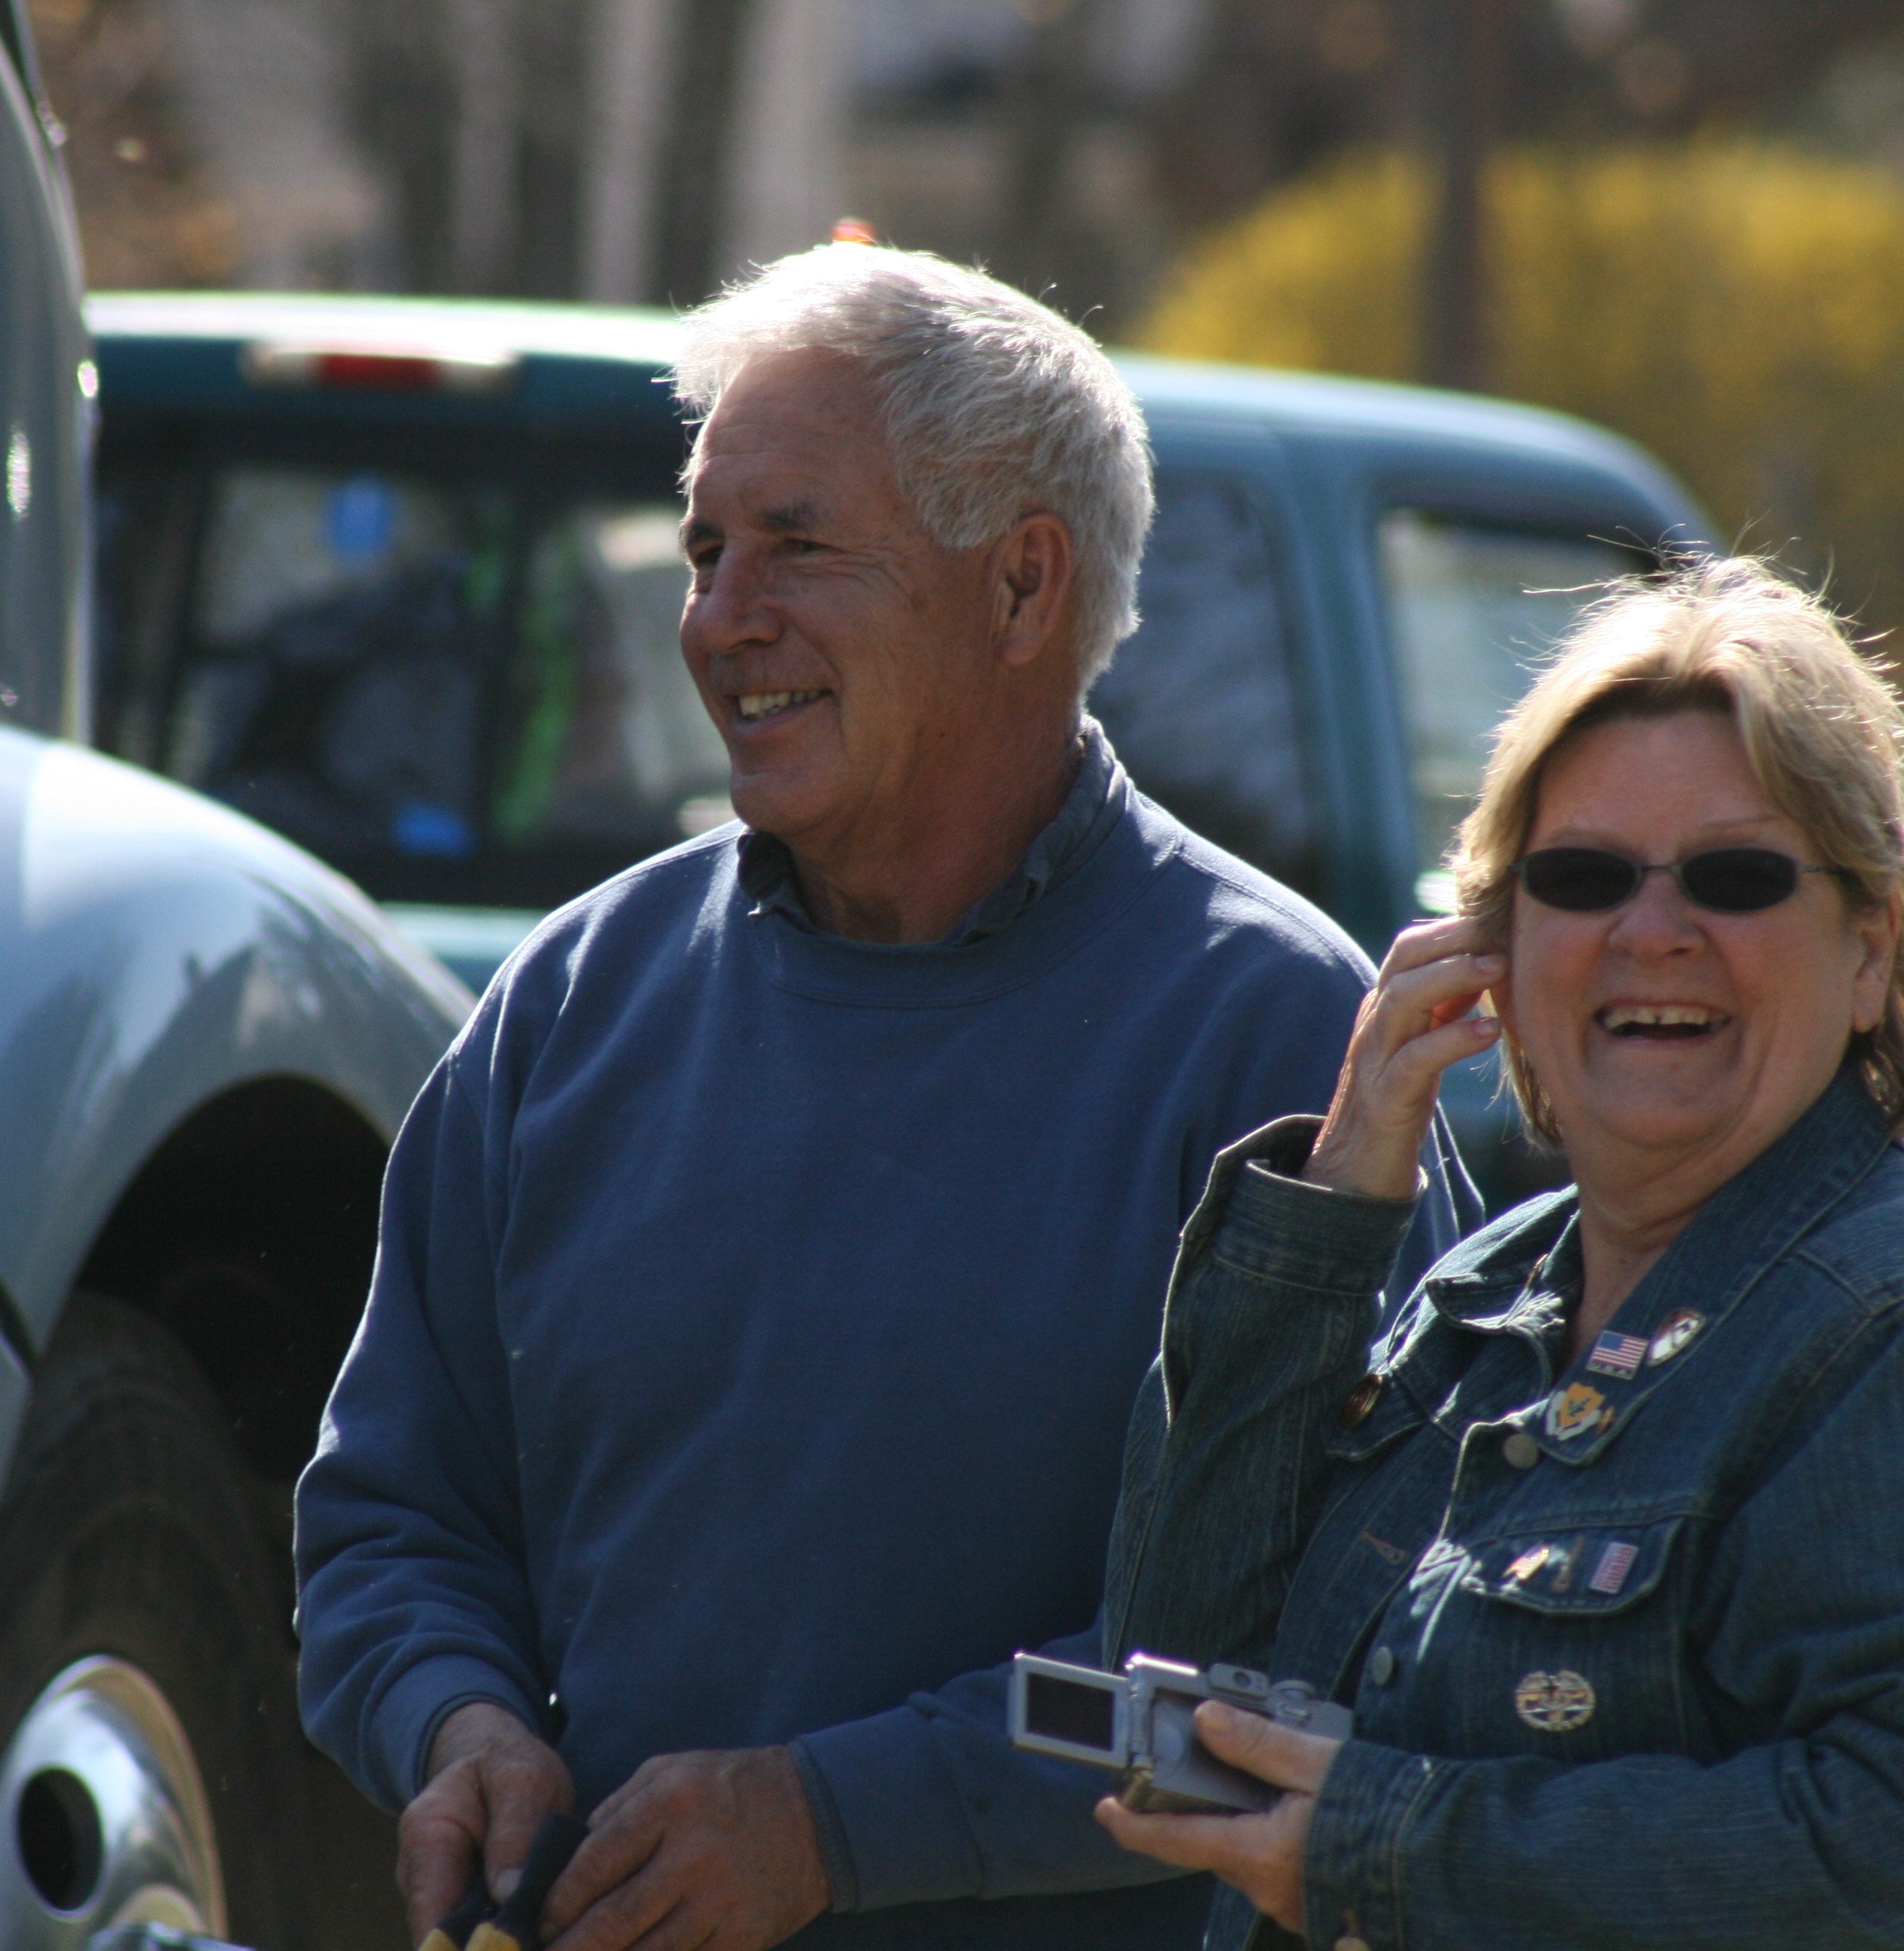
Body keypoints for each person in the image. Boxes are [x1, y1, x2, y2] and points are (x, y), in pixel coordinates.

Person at [291, 242, 1471, 1951]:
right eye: (704, 549)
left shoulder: (1280, 1053)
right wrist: (456, 1722)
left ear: (1020, 589)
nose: (717, 617)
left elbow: (1302, 1688)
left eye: (797, 545)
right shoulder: (572, 1003)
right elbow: (394, 1517)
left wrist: (842, 1824)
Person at [1094, 556, 1904, 1951]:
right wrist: (1330, 1209)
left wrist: (1388, 1846)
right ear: (1494, 944)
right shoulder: (1475, 1302)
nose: (1652, 931)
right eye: (1582, 876)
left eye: (1736, 878)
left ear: (1870, 953)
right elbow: (1180, 1665)